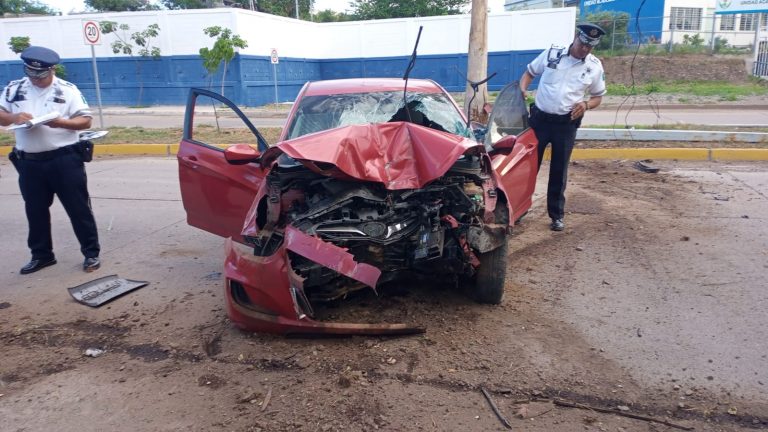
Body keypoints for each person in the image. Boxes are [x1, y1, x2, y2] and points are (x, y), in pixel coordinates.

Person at [0, 46, 101, 274]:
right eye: (31, 73)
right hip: (29, 162)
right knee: (34, 210)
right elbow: (1, 115)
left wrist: (60, 123)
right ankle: (42, 255)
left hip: (63, 160)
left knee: (78, 209)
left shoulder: (67, 90)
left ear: (51, 70)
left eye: (41, 75)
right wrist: (14, 117)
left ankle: (91, 253)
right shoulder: (14, 89)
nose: (35, 79)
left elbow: (85, 121)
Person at [519, 23, 606, 231]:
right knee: (528, 168)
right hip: (539, 122)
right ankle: (519, 209)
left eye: (589, 46)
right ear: (577, 37)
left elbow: (598, 97)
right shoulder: (553, 54)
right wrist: (522, 89)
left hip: (565, 125)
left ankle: (556, 215)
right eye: (583, 43)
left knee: (559, 171)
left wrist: (585, 105)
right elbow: (529, 73)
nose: (584, 49)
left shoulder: (594, 66)